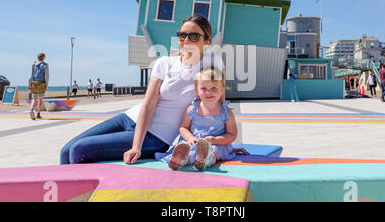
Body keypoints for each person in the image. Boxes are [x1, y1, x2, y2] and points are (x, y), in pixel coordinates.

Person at [60, 15, 225, 165]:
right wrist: (135, 145)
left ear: (207, 41)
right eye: (182, 35)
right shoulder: (164, 62)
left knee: (79, 150)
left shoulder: (213, 63)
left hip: (155, 136)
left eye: (194, 36)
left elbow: (219, 104)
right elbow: (148, 104)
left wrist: (223, 145)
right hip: (128, 118)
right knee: (66, 150)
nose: (187, 40)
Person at [155, 68, 249, 171]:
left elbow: (232, 134)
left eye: (214, 88)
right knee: (189, 149)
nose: (208, 92)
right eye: (204, 88)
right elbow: (183, 127)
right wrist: (190, 137)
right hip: (193, 142)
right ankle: (182, 159)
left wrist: (215, 140)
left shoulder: (226, 112)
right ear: (197, 90)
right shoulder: (192, 109)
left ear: (221, 91)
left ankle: (207, 159)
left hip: (216, 143)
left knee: (214, 152)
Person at [28, 53, 49, 120]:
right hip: (42, 83)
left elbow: (31, 75)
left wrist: (29, 84)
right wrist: (46, 83)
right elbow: (46, 75)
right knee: (40, 99)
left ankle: (31, 109)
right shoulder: (45, 65)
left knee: (34, 99)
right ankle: (38, 114)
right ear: (43, 57)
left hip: (34, 83)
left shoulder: (34, 65)